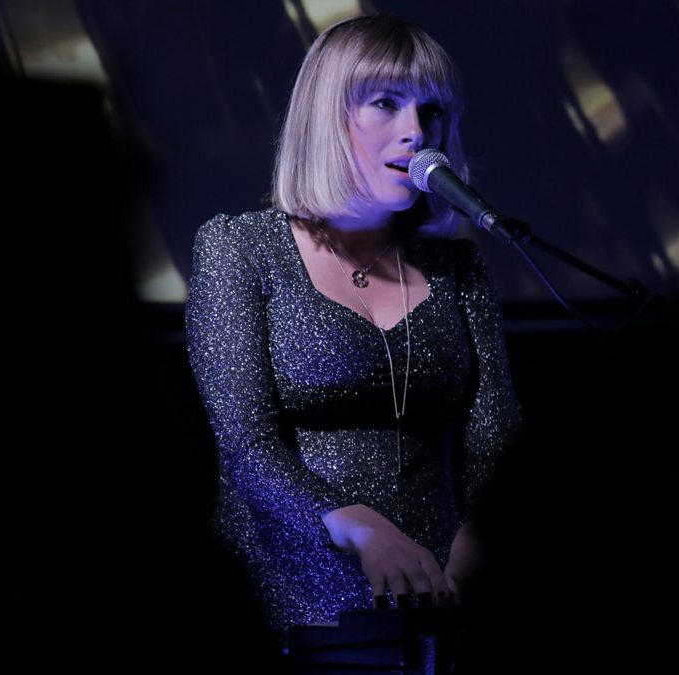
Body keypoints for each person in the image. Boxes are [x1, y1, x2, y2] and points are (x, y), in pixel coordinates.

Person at [185, 13, 521, 639]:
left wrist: (482, 534)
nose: (416, 131)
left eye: (430, 111)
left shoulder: (456, 267)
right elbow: (247, 445)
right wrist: (360, 526)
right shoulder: (240, 249)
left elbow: (496, 438)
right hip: (289, 598)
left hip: (435, 596)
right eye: (386, 103)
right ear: (326, 116)